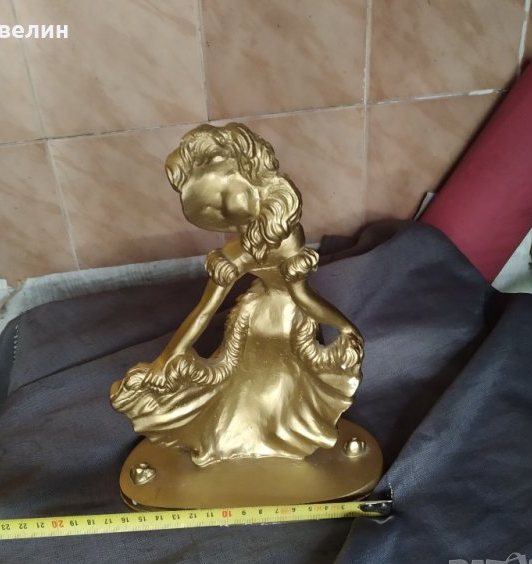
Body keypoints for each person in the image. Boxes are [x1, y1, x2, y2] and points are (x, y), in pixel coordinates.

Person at [111, 123, 364, 467]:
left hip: (288, 323)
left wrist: (344, 326)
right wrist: (168, 357)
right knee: (238, 394)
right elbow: (204, 311)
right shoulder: (238, 252)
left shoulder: (285, 236)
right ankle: (236, 439)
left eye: (228, 199)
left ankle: (280, 437)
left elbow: (302, 297)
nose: (231, 217)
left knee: (277, 391)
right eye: (218, 213)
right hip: (254, 319)